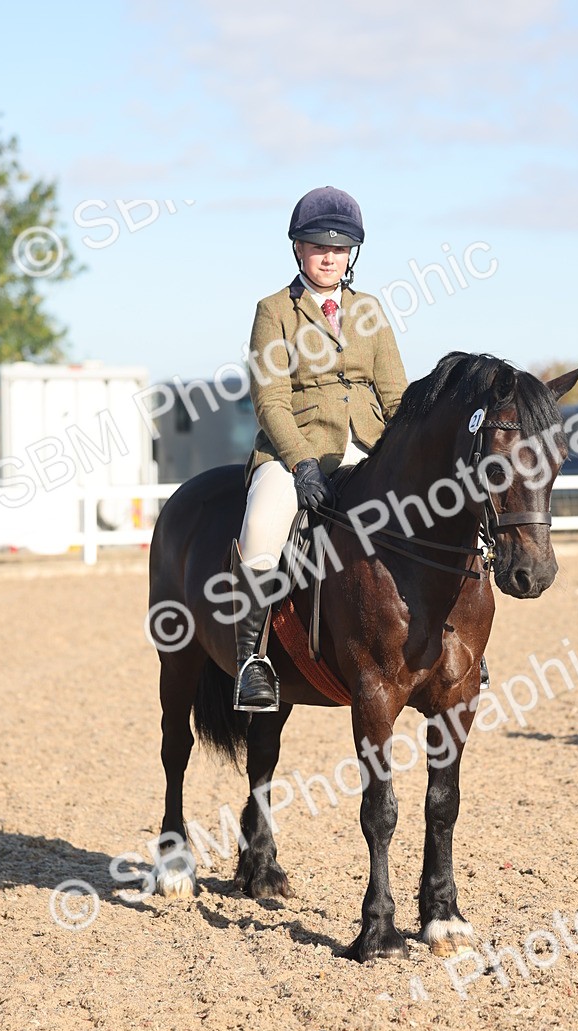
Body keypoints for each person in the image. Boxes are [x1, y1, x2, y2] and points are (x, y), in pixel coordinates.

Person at [232, 186, 408, 711]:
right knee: (262, 526)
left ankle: (448, 639)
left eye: (340, 248)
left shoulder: (369, 310)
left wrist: (406, 452)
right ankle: (252, 662)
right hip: (295, 451)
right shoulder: (273, 311)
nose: (329, 256)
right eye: (318, 246)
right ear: (298, 249)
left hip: (368, 447)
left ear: (352, 253)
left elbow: (396, 395)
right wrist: (301, 462)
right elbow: (270, 399)